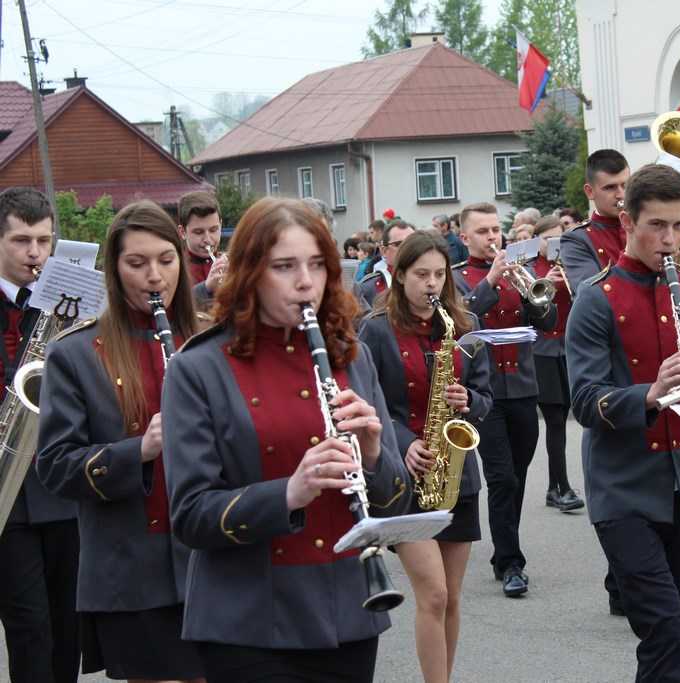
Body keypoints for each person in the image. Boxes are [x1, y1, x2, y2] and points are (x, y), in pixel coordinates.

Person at [160, 197, 411, 682]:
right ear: (250, 273)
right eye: (284, 267)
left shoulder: (351, 356)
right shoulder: (198, 367)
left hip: (348, 609)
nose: (305, 282)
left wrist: (374, 454)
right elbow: (190, 515)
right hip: (246, 618)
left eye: (317, 265)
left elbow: (394, 502)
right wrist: (290, 492)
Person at [36, 200, 204, 682]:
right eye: (137, 263)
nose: (155, 276)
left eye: (166, 260)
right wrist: (141, 449)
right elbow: (56, 466)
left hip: (214, 558)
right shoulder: (75, 352)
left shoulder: (211, 340)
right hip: (134, 568)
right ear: (113, 269)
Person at [566, 163, 680, 682]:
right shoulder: (597, 298)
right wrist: (651, 393)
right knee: (664, 629)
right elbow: (585, 401)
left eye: (679, 225)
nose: (671, 240)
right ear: (628, 221)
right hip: (623, 488)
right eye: (658, 225)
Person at [358, 231, 491, 683]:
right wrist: (402, 442)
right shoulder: (376, 329)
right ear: (399, 275)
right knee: (433, 594)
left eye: (439, 274)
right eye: (421, 275)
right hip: (404, 476)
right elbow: (366, 400)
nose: (432, 284)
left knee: (451, 597)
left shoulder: (465, 325)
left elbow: (487, 397)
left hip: (456, 475)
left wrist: (469, 399)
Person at [452, 201, 557, 597]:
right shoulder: (457, 279)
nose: (492, 237)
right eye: (483, 231)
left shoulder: (520, 272)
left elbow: (548, 322)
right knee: (502, 478)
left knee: (517, 476)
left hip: (524, 388)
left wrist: (533, 295)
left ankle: (502, 553)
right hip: (485, 393)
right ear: (465, 238)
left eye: (496, 229)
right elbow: (459, 323)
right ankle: (512, 561)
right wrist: (491, 281)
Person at [0, 187, 80, 683]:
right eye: (21, 241)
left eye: (44, 241)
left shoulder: (69, 305)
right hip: (6, 491)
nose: (35, 253)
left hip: (59, 481)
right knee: (31, 629)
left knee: (68, 625)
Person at [531, 216, 584, 512]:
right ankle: (563, 488)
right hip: (542, 350)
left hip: (568, 348)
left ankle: (553, 488)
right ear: (537, 240)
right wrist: (546, 282)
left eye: (559, 239)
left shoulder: (569, 264)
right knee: (554, 421)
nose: (554, 244)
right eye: (548, 239)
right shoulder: (531, 269)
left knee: (562, 419)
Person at [560, 149, 630, 292]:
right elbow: (591, 294)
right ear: (590, 192)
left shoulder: (645, 226)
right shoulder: (576, 239)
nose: (621, 195)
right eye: (610, 187)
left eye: (626, 185)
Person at [178, 190, 228, 307]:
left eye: (213, 230)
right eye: (198, 232)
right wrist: (206, 287)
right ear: (183, 232)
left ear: (220, 225)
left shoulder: (232, 264)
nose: (207, 239)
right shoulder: (176, 269)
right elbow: (173, 306)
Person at [359, 221, 415, 307]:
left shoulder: (431, 282)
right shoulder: (367, 287)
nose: (407, 249)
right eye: (399, 244)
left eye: (413, 244)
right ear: (384, 251)